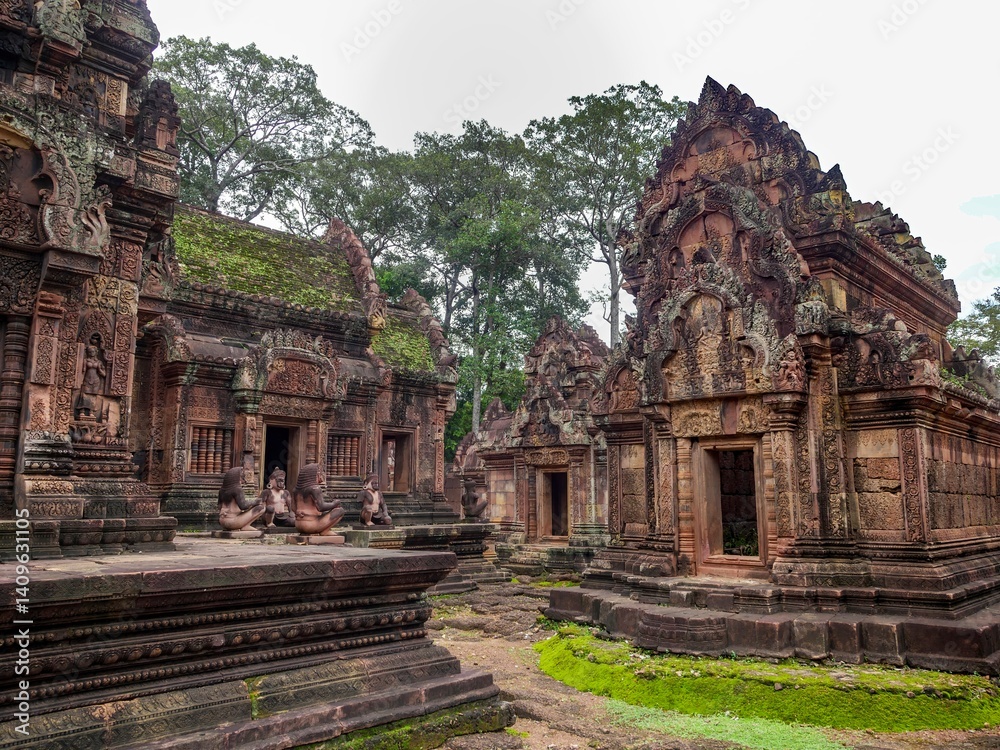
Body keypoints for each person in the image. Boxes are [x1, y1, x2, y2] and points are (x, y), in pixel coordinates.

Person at [292, 463, 344, 535]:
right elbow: (321, 507)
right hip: (311, 525)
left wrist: (301, 514)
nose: (321, 476)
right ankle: (325, 531)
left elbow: (293, 508)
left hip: (298, 524)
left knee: (323, 514)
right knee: (340, 511)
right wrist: (335, 503)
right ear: (314, 475)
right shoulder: (315, 489)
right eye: (319, 473)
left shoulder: (295, 490)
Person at [217, 466, 265, 531]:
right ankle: (246, 526)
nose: (243, 481)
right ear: (236, 478)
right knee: (261, 508)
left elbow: (219, 507)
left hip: (222, 521)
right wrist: (256, 501)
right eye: (241, 478)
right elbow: (243, 506)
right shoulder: (237, 489)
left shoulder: (222, 490)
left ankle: (243, 526)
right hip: (232, 522)